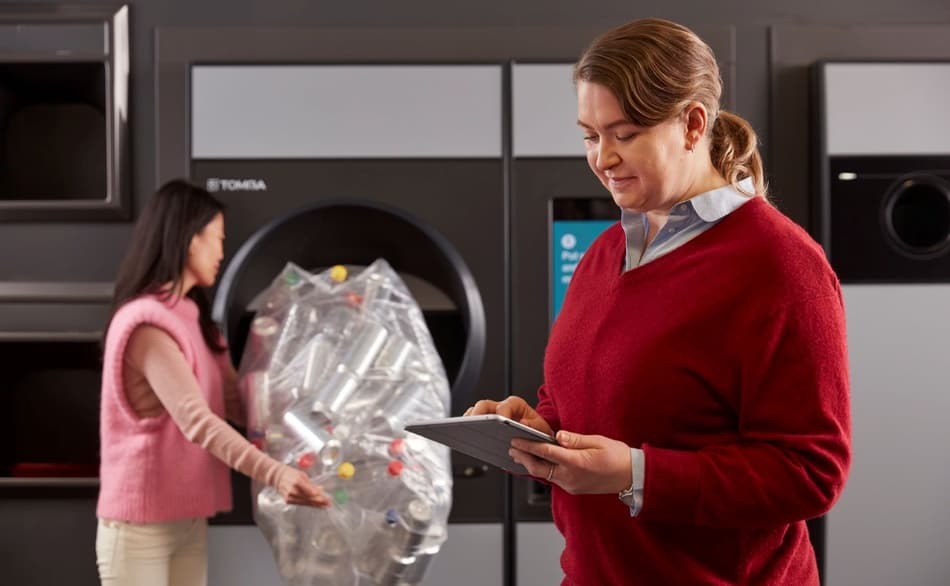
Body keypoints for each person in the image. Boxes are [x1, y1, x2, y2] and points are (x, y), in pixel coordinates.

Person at [466, 18, 851, 585]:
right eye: (590, 136)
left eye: (624, 135)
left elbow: (811, 472)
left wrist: (633, 473)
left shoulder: (780, 264)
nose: (603, 158)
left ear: (693, 124)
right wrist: (538, 429)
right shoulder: (605, 252)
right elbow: (580, 397)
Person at [95, 179, 330, 586]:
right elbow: (197, 421)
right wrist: (276, 475)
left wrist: (312, 412)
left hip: (188, 521)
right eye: (217, 238)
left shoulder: (195, 319)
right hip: (139, 528)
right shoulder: (146, 323)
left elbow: (237, 406)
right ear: (190, 239)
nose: (222, 252)